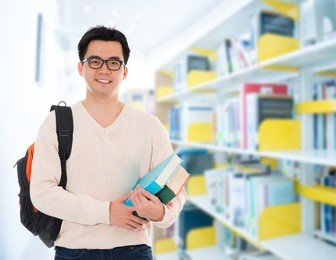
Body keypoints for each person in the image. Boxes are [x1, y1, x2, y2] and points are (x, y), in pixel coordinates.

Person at [30, 25, 187, 260]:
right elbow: (42, 193)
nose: (104, 69)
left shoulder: (149, 125)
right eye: (95, 61)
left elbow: (177, 189)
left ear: (124, 71)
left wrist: (161, 212)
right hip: (74, 251)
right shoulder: (56, 123)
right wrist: (107, 212)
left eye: (114, 62)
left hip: (135, 250)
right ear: (81, 67)